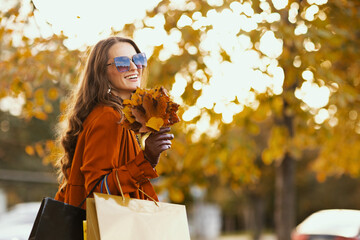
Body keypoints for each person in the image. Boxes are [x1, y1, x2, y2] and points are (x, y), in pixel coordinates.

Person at [54, 36, 174, 208]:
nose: (134, 67)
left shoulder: (119, 116)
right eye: (122, 63)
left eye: (138, 60)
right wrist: (146, 159)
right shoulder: (109, 117)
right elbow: (97, 190)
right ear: (102, 73)